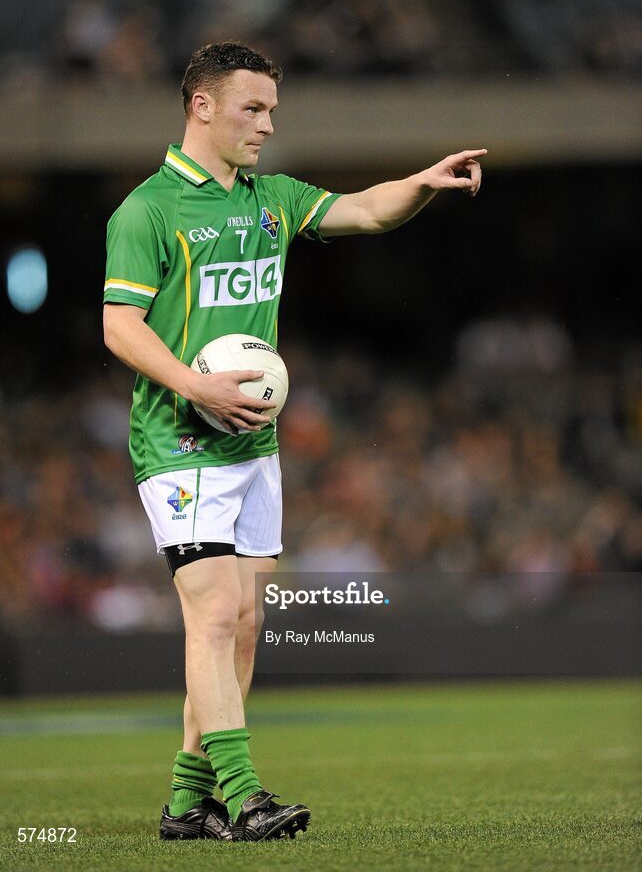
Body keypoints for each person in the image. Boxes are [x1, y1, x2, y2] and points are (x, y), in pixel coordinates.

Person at [103, 41, 486, 843]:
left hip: (253, 449)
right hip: (180, 443)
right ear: (201, 106)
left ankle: (184, 802)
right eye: (253, 108)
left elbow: (365, 209)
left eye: (272, 109)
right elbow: (117, 325)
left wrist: (417, 186)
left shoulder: (269, 198)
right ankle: (244, 798)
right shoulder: (147, 211)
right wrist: (194, 383)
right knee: (209, 619)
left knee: (241, 625)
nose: (268, 125)